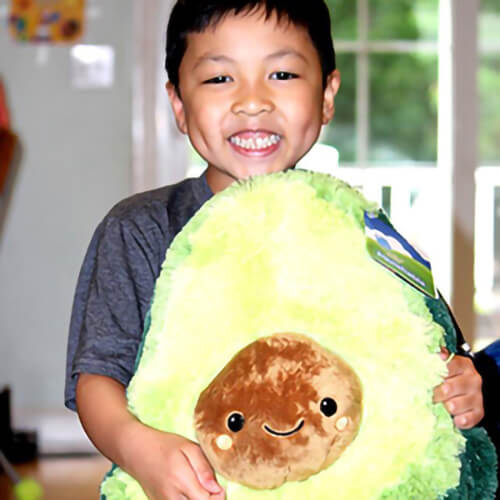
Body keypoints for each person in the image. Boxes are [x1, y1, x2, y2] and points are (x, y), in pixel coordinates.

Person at [65, 1, 488, 498]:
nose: (252, 101)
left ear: (327, 94)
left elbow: (432, 348)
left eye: (282, 73)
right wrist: (139, 448)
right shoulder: (140, 229)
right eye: (220, 79)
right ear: (178, 104)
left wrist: (462, 383)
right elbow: (97, 379)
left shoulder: (356, 226)